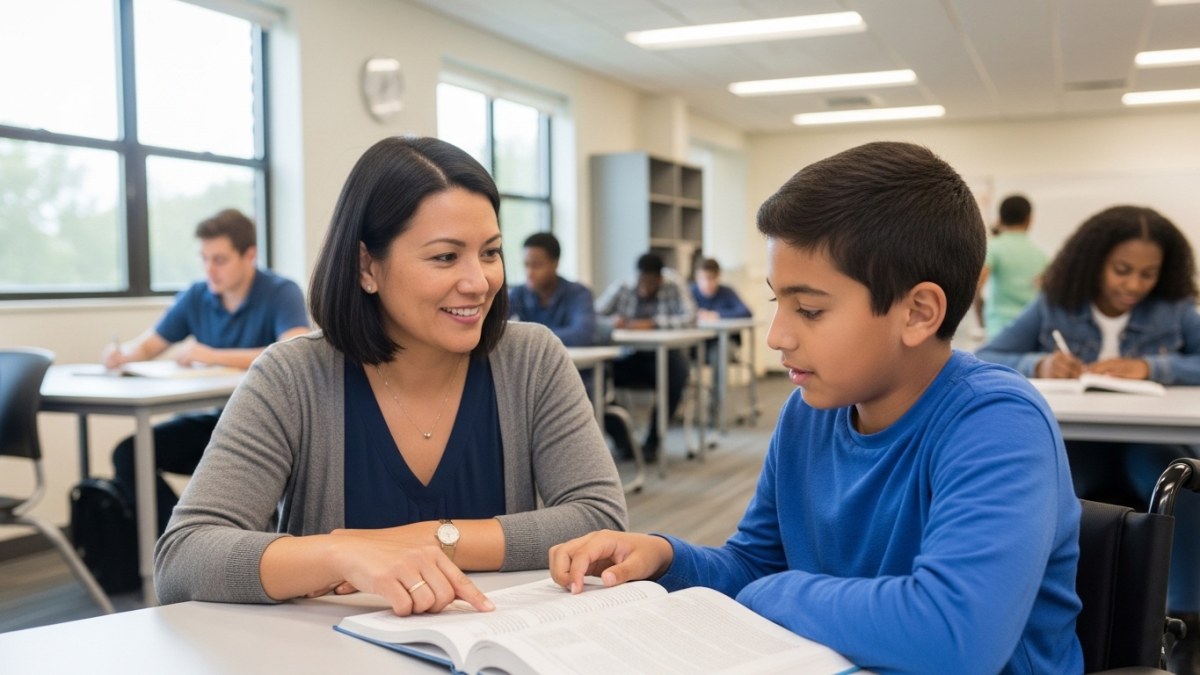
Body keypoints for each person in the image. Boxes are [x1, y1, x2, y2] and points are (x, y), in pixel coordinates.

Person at [550, 142, 1083, 673]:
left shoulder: (997, 422)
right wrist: (667, 556)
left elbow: (954, 637)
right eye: (775, 303)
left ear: (918, 312)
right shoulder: (808, 411)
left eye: (809, 309)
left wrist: (775, 594)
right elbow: (754, 564)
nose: (777, 336)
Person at [154, 136, 627, 615]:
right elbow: (183, 557)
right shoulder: (292, 377)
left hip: (489, 650)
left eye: (489, 252)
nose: (479, 281)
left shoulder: (531, 360)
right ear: (367, 267)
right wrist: (340, 553)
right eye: (445, 256)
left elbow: (599, 516)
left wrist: (435, 539)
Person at [976, 204, 1200, 673]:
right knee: (1048, 490)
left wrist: (1153, 367)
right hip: (1080, 445)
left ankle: (1186, 623)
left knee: (1176, 483)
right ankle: (1046, 611)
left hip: (1148, 444)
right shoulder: (1056, 302)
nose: (1133, 285)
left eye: (1147, 274)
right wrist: (1039, 363)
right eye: (1122, 270)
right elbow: (991, 354)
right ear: (1093, 261)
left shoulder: (1177, 310)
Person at [102, 208, 310, 534]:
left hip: (270, 430)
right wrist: (121, 354)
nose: (209, 270)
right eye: (204, 259)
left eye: (220, 260)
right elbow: (146, 347)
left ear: (249, 255)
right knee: (130, 454)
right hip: (218, 424)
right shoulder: (197, 295)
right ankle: (178, 544)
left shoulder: (281, 292)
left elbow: (294, 348)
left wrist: (212, 354)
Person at [595, 252, 696, 461]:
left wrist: (654, 322)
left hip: (666, 357)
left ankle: (652, 443)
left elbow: (691, 317)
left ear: (660, 278)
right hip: (632, 357)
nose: (646, 287)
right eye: (643, 281)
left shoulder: (673, 285)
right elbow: (594, 315)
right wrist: (614, 321)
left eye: (651, 283)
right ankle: (625, 442)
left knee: (677, 375)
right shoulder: (623, 287)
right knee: (597, 377)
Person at [690, 257, 753, 424]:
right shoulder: (690, 292)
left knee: (719, 354)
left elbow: (746, 312)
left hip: (724, 344)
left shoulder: (727, 292)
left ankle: (715, 411)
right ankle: (683, 412)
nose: (707, 283)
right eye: (703, 278)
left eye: (711, 278)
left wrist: (716, 315)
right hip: (696, 345)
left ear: (718, 277)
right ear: (697, 277)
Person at [507, 231, 597, 347]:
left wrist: (528, 338)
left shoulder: (578, 294)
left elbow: (583, 335)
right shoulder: (518, 293)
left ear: (555, 264)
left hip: (573, 363)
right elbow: (495, 329)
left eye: (536, 265)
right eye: (526, 265)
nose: (529, 272)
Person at [976, 195, 1048, 339]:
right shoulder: (1041, 256)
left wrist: (981, 321)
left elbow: (976, 287)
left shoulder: (994, 248)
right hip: (1032, 331)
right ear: (1029, 220)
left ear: (1000, 219)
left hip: (999, 330)